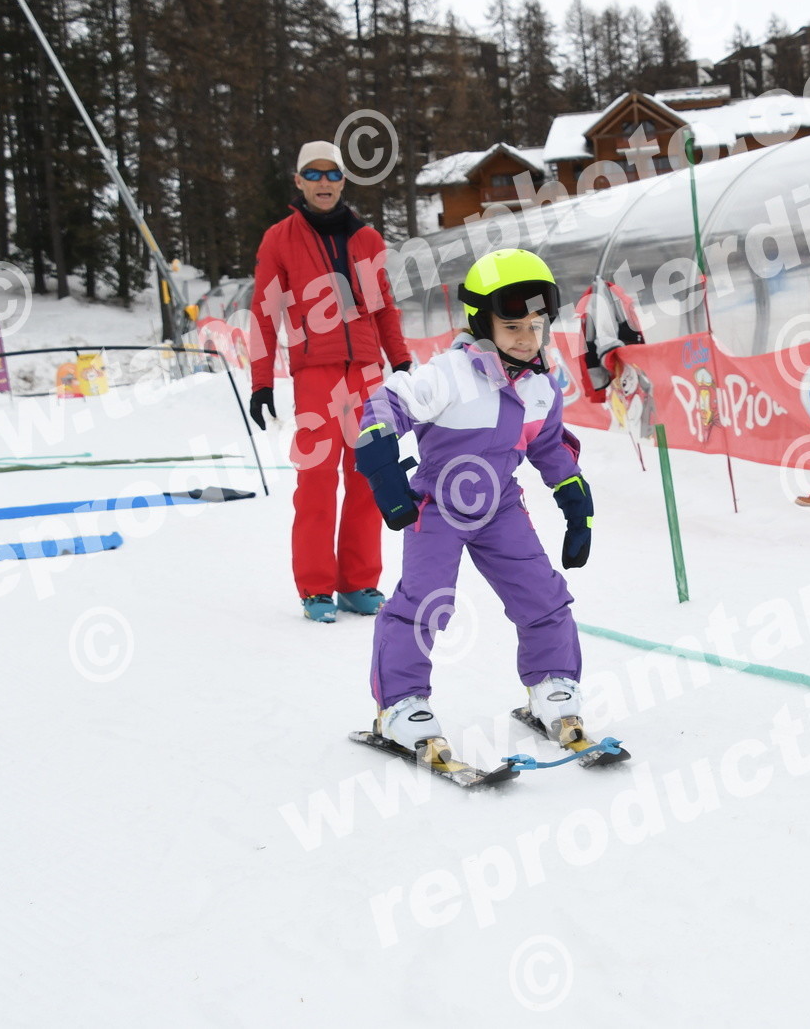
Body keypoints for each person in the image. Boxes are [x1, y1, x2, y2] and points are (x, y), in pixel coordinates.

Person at [354, 248, 594, 760]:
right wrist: (382, 466)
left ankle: (552, 686)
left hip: (501, 507)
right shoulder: (449, 374)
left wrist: (574, 500)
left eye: (537, 326)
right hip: (438, 505)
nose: (527, 339)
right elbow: (385, 406)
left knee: (542, 593)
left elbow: (550, 446)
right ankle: (400, 705)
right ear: (482, 323)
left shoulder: (541, 386)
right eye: (513, 327)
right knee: (425, 602)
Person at [248, 140, 412, 622]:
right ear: (299, 181)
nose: (324, 182)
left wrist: (401, 362)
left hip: (367, 371)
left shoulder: (367, 239)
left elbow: (384, 307)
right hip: (315, 372)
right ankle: (316, 588)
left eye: (332, 173)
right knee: (316, 480)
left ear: (344, 180)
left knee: (369, 475)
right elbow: (264, 314)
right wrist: (261, 382)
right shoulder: (279, 239)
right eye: (314, 174)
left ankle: (358, 583)